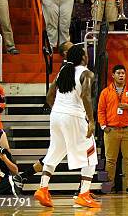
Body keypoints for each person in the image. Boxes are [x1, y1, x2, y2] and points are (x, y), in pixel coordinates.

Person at [33, 46, 98, 207]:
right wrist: (91, 120)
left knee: (55, 151)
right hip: (74, 116)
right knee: (90, 155)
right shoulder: (86, 73)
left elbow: (49, 95)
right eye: (85, 53)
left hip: (56, 115)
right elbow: (86, 97)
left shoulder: (63, 71)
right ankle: (84, 194)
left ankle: (43, 188)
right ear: (83, 57)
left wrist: (59, 109)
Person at [97, 64, 128, 193]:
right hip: (111, 130)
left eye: (123, 73)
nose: (121, 75)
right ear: (113, 75)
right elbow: (101, 110)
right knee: (110, 160)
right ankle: (108, 186)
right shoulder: (106, 92)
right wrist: (104, 126)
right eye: (118, 73)